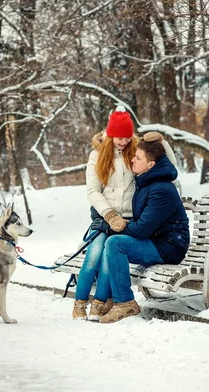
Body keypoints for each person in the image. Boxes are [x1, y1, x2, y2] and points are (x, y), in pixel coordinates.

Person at [98, 131, 190, 324]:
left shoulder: (161, 189)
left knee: (115, 243)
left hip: (169, 247)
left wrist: (115, 227)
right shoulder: (146, 183)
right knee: (112, 242)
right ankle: (109, 299)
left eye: (138, 157)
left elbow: (142, 230)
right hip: (156, 241)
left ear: (151, 165)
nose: (132, 159)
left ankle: (125, 303)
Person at [72, 106, 138, 321]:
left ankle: (99, 304)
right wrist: (110, 215)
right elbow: (92, 191)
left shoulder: (136, 152)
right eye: (119, 137)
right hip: (104, 218)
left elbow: (166, 165)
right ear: (110, 135)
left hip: (127, 220)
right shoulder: (97, 155)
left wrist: (162, 143)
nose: (123, 141)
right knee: (93, 256)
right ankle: (79, 303)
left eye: (127, 137)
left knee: (109, 260)